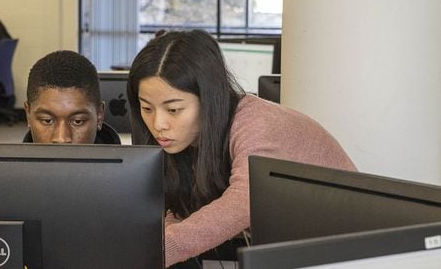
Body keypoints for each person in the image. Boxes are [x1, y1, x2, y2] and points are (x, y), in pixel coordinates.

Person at [126, 29, 357, 268]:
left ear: (209, 99)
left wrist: (151, 251)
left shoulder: (256, 123)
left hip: (346, 254)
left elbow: (241, 203)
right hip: (296, 250)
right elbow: (185, 210)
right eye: (147, 108)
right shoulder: (191, 137)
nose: (158, 125)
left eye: (174, 110)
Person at [23, 50, 120, 144]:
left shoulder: (132, 161)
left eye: (77, 121)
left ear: (99, 116)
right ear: (28, 114)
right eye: (47, 121)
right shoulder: (9, 161)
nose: (61, 139)